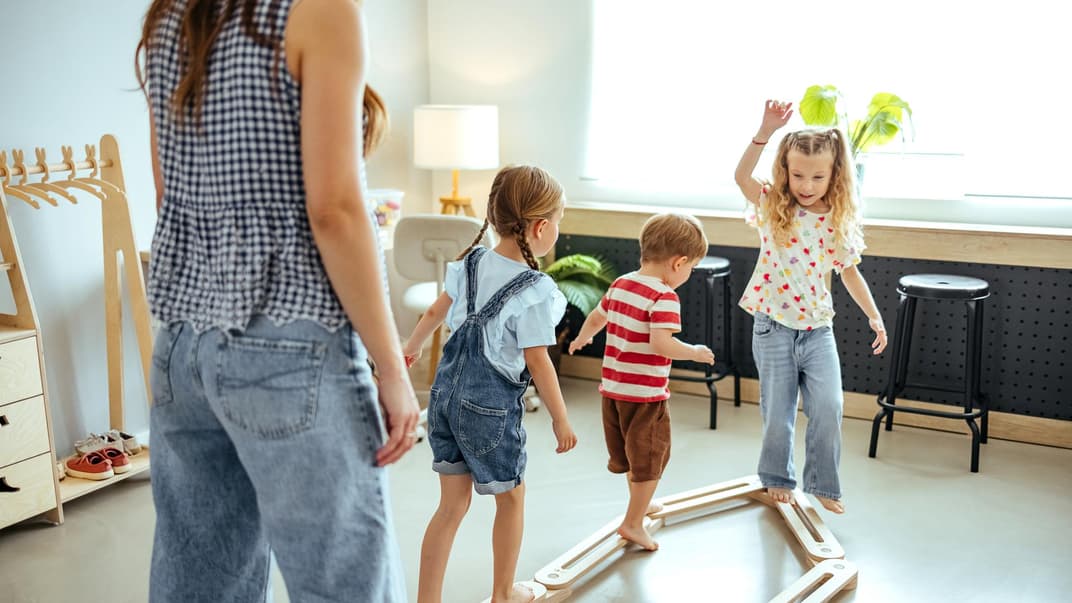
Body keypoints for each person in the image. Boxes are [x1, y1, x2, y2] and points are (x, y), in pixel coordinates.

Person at [136, 0, 419, 600]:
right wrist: (392, 366)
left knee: (199, 579)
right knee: (343, 583)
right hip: (291, 345)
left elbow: (168, 193)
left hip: (183, 347)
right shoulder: (319, 10)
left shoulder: (171, 16)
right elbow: (335, 211)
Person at [402, 165, 579, 603]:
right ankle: (503, 594)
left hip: (444, 400)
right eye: (558, 221)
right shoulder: (535, 288)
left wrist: (412, 349)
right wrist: (560, 419)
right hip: (489, 411)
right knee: (511, 500)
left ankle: (428, 600)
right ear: (540, 228)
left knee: (450, 507)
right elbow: (539, 363)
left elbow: (432, 313)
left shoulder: (470, 261)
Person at [733, 100, 888, 514]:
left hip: (818, 329)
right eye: (798, 174)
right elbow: (741, 176)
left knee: (829, 405)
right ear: (785, 170)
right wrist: (764, 130)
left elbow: (850, 273)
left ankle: (822, 484)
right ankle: (778, 479)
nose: (806, 184)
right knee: (778, 412)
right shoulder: (772, 206)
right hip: (773, 326)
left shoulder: (836, 221)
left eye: (818, 176)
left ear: (835, 175)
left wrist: (873, 315)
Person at [568, 213, 715, 551]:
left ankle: (640, 505)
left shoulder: (621, 283)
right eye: (691, 267)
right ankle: (633, 523)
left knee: (633, 455)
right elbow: (661, 344)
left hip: (613, 390)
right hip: (646, 395)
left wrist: (581, 338)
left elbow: (596, 317)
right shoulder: (664, 297)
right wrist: (693, 352)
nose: (688, 274)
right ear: (678, 263)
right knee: (651, 457)